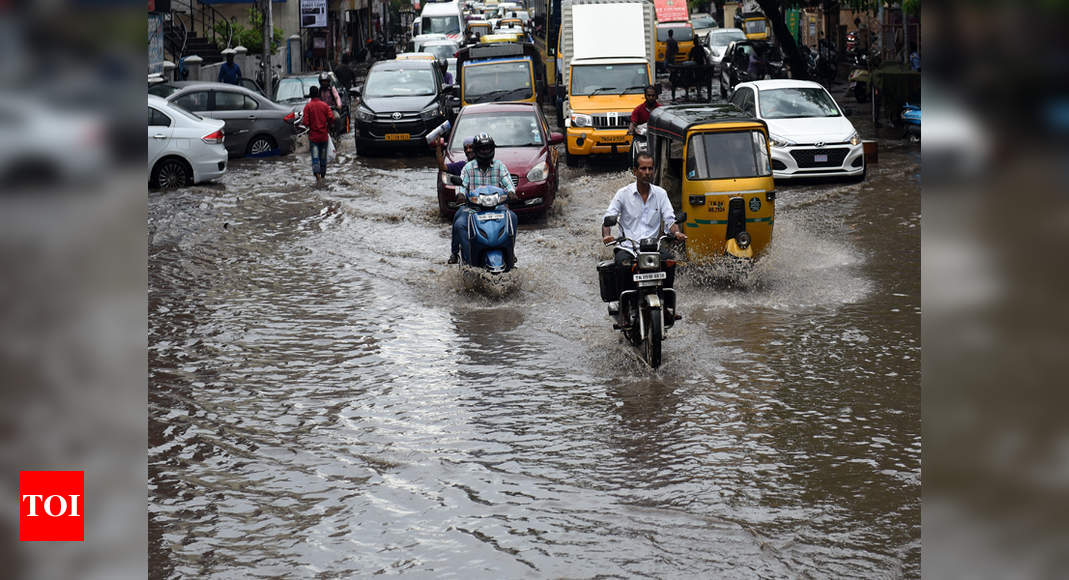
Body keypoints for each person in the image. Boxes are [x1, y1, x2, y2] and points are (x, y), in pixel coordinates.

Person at [601, 152, 687, 300]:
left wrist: (677, 232)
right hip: (628, 247)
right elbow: (608, 218)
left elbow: (669, 219)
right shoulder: (623, 194)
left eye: (650, 169)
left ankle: (667, 304)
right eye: (643, 169)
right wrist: (607, 235)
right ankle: (624, 306)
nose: (647, 173)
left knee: (670, 262)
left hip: (653, 247)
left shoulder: (661, 194)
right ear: (635, 171)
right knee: (622, 265)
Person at [450, 133, 517, 266]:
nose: (485, 152)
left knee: (513, 218)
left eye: (487, 148)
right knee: (460, 225)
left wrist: (511, 192)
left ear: (492, 150)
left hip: (498, 208)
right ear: (476, 150)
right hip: (472, 209)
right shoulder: (468, 168)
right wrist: (461, 194)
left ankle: (510, 255)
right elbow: (462, 185)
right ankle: (467, 258)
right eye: (482, 149)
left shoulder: (499, 166)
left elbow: (508, 182)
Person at [301, 85, 334, 188]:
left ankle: (318, 178)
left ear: (310, 95)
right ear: (318, 94)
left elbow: (305, 122)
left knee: (315, 159)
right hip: (324, 137)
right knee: (323, 159)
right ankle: (323, 178)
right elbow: (331, 118)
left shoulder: (308, 107)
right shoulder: (324, 106)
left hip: (314, 138)